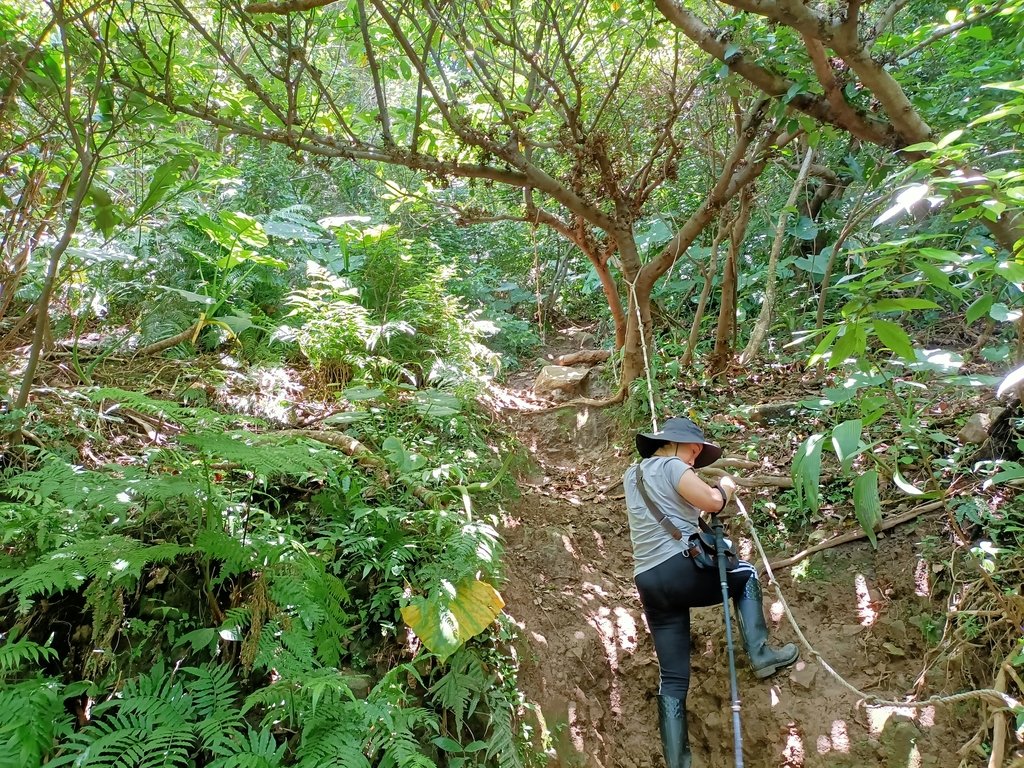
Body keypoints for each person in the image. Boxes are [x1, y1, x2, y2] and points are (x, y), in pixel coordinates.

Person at [623, 417, 798, 768]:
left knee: (672, 678)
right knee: (746, 574)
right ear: (672, 443)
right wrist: (726, 486)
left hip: (648, 580)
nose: (694, 456)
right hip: (678, 568)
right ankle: (761, 655)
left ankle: (678, 764)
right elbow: (711, 501)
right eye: (693, 449)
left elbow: (675, 506)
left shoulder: (633, 474)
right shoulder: (672, 465)